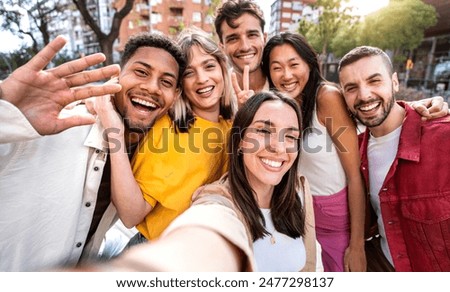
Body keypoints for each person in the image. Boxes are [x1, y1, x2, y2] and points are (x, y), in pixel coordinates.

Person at [0, 33, 186, 271]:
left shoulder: (144, 156)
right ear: (115, 75)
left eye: (166, 82)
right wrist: (4, 105)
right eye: (141, 72)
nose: (152, 87)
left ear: (175, 97)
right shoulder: (46, 126)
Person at [98, 28, 236, 245]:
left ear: (222, 70)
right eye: (190, 73)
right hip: (157, 251)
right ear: (180, 88)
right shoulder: (168, 129)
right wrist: (113, 130)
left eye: (209, 66)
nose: (202, 79)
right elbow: (131, 214)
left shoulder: (231, 125)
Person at [338, 45, 450, 271]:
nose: (364, 95)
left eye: (374, 81)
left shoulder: (443, 138)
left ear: (395, 82)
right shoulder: (355, 153)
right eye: (351, 88)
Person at [261, 32, 365, 272]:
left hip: (336, 216)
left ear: (309, 63)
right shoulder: (283, 106)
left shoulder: (326, 97)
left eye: (294, 64)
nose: (286, 75)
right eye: (276, 68)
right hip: (299, 212)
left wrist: (357, 244)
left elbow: (354, 175)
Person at [191, 91, 318, 271]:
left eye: (290, 136)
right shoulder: (217, 202)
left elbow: (309, 266)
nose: (279, 147)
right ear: (240, 141)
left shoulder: (299, 189)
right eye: (264, 131)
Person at [214, 0, 268, 101]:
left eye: (252, 35)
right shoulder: (215, 95)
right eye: (233, 38)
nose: (245, 47)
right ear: (222, 47)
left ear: (264, 39)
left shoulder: (282, 84)